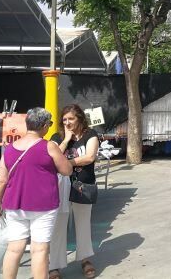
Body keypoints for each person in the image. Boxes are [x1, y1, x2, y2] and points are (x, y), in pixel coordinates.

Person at [0, 107, 73, 279]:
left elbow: (2, 181)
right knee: (40, 249)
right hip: (43, 205)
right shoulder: (49, 146)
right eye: (49, 124)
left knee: (14, 248)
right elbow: (66, 170)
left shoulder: (10, 149)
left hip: (14, 204)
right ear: (44, 125)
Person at [49, 104, 99, 279]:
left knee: (83, 224)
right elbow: (50, 157)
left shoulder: (90, 135)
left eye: (71, 119)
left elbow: (90, 157)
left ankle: (85, 259)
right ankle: (54, 266)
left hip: (82, 185)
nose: (67, 123)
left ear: (79, 119)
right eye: (64, 119)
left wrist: (67, 163)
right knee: (58, 226)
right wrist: (65, 140)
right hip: (60, 187)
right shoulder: (57, 137)